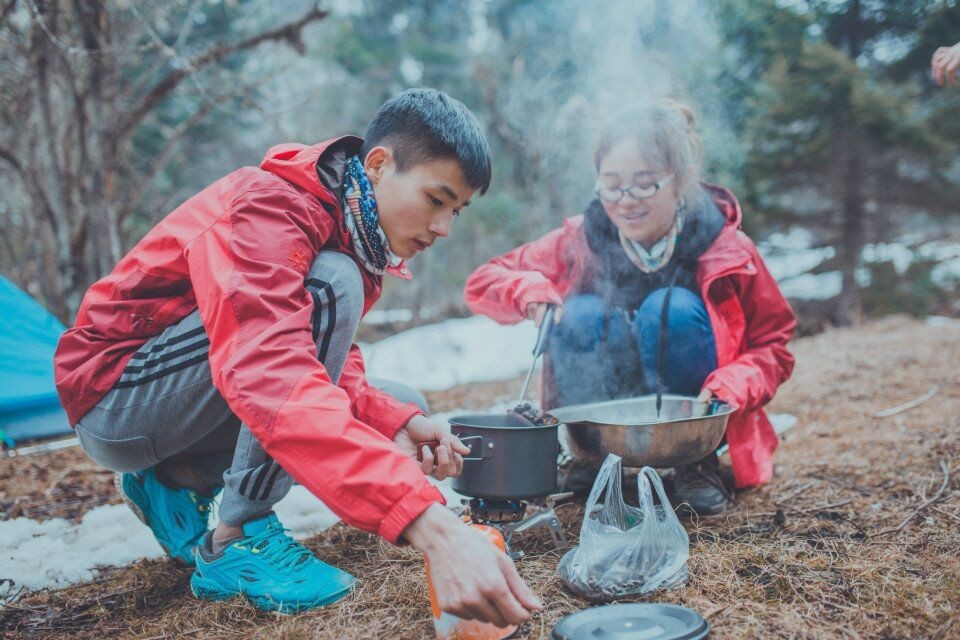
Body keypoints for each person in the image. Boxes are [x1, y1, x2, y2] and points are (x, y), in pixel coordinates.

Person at [54, 88, 541, 625]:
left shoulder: (349, 230)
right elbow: (271, 372)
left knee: (401, 404)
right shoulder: (269, 209)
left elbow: (315, 359)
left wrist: (395, 422)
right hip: (114, 396)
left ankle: (175, 479)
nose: (444, 228)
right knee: (333, 286)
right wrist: (431, 525)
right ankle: (239, 536)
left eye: (457, 211)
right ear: (378, 165)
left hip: (182, 394)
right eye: (436, 200)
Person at [464, 99, 796, 515]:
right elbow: (483, 282)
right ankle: (592, 459)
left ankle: (695, 463)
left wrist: (732, 385)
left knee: (670, 310)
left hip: (692, 412)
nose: (626, 201)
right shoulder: (583, 238)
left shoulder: (725, 246)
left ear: (681, 180)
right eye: (612, 185)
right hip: (605, 410)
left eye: (644, 183)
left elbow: (774, 345)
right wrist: (527, 289)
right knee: (579, 315)